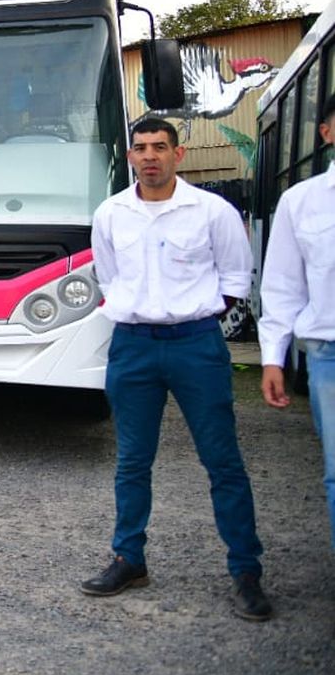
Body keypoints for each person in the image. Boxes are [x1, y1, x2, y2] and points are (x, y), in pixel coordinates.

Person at [81, 117, 271, 621]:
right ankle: (129, 558)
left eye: (160, 147)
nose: (150, 157)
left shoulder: (212, 211)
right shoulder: (111, 214)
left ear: (177, 154)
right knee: (132, 461)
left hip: (195, 345)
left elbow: (235, 278)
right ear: (130, 157)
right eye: (140, 148)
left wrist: (188, 315)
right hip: (133, 346)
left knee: (223, 461)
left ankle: (246, 570)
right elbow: (110, 276)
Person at [258, 93, 335, 551]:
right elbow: (283, 286)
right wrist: (272, 358)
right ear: (326, 133)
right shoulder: (302, 202)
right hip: (329, 355)